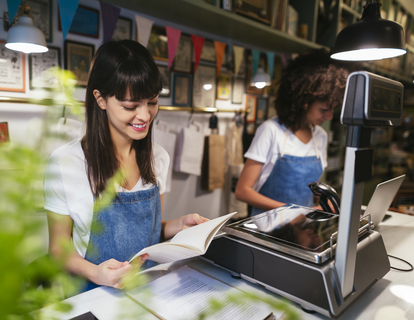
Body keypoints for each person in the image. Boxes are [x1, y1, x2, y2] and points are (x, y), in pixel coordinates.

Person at [44, 40, 208, 292]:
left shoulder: (158, 158)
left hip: (148, 291)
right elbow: (57, 250)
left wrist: (177, 225)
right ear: (100, 99)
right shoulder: (66, 162)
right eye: (131, 106)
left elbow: (149, 233)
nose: (145, 116)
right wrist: (95, 272)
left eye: (152, 102)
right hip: (90, 294)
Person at [236, 49, 351, 216]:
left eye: (333, 110)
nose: (330, 116)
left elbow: (313, 189)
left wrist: (331, 204)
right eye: (324, 110)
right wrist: (293, 212)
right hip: (266, 230)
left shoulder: (320, 136)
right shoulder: (271, 131)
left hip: (302, 229)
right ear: (304, 102)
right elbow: (242, 191)